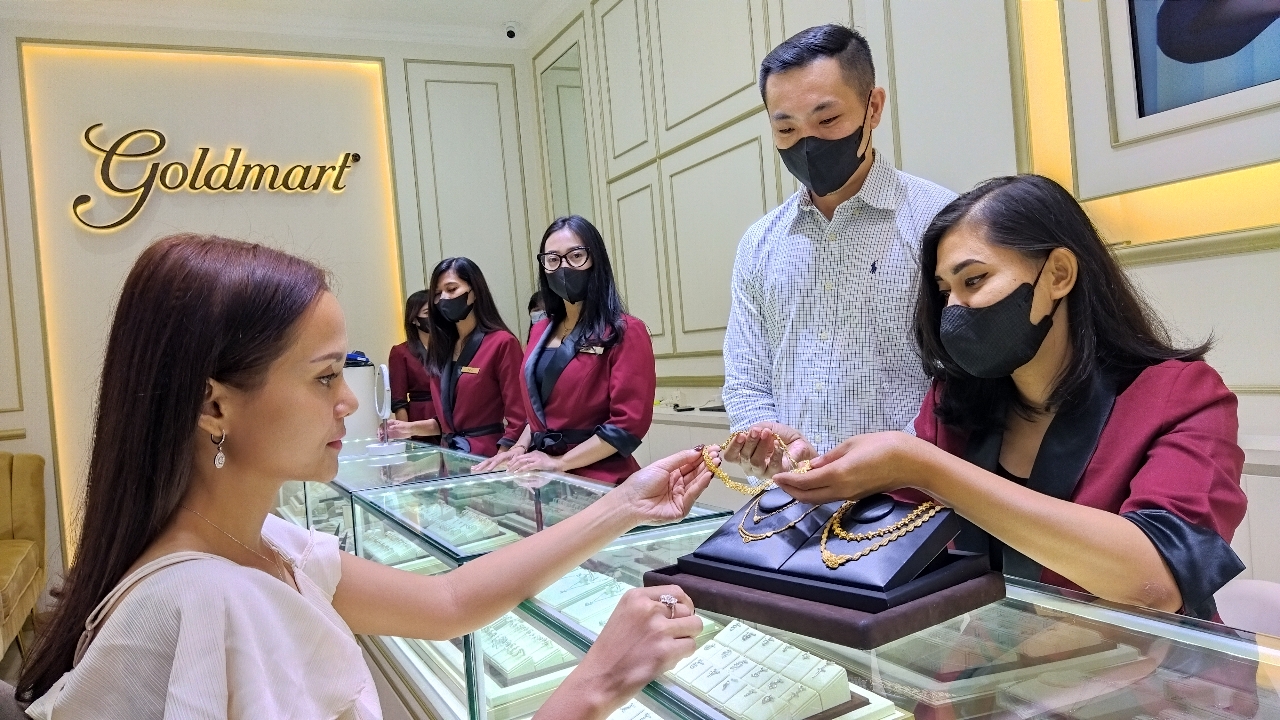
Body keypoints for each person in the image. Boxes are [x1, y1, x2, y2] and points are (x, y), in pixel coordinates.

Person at [18, 234, 713, 719]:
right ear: (214, 405)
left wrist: (623, 505)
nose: (348, 402)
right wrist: (599, 681)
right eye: (325, 377)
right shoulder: (205, 605)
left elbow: (447, 602)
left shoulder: (264, 542)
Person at [767, 175, 1247, 619]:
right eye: (945, 291)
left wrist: (923, 466)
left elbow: (1156, 583)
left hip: (1149, 675)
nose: (954, 308)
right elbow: (892, 543)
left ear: (1058, 274)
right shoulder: (954, 405)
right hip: (990, 667)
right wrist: (817, 478)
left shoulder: (1183, 396)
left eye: (974, 280)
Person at [720, 24, 957, 483]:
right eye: (786, 128)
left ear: (873, 107)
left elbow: (965, 378)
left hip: (911, 500)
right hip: (790, 498)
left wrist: (894, 463)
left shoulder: (940, 221)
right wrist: (767, 444)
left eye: (827, 120)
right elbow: (746, 379)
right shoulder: (759, 244)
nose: (807, 143)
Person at [474, 216, 656, 484]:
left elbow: (627, 425)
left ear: (595, 259)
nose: (564, 267)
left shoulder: (626, 330)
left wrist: (561, 463)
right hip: (542, 475)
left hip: (599, 477)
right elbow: (538, 410)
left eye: (576, 256)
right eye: (553, 259)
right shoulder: (540, 330)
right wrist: (519, 448)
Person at [395, 257, 524, 458]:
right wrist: (408, 429)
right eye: (438, 294)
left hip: (488, 457)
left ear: (475, 291)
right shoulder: (442, 346)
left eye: (452, 289)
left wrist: (502, 459)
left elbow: (520, 417)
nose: (444, 298)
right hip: (450, 457)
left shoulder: (502, 343)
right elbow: (449, 422)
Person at [386, 290, 440, 443]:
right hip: (420, 416)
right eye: (427, 313)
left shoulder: (450, 348)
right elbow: (399, 399)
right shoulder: (400, 352)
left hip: (449, 417)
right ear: (414, 319)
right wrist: (405, 435)